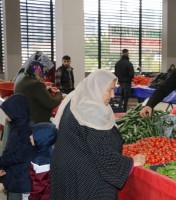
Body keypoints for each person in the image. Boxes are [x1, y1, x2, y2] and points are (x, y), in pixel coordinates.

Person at [50, 69, 145, 200]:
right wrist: (130, 162)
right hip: (83, 175)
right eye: (109, 90)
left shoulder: (78, 98)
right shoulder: (92, 111)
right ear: (97, 88)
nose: (112, 95)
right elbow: (103, 153)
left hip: (65, 167)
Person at [0, 94, 35, 200]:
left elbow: (19, 154)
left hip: (21, 178)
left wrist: (1, 161)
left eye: (7, 113)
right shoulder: (17, 125)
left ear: (16, 111)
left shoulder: (26, 129)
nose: (6, 116)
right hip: (15, 174)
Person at [29, 122, 57, 200]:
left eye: (33, 135)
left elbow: (39, 186)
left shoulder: (42, 161)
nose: (30, 136)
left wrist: (32, 198)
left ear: (41, 138)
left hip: (43, 196)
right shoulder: (50, 151)